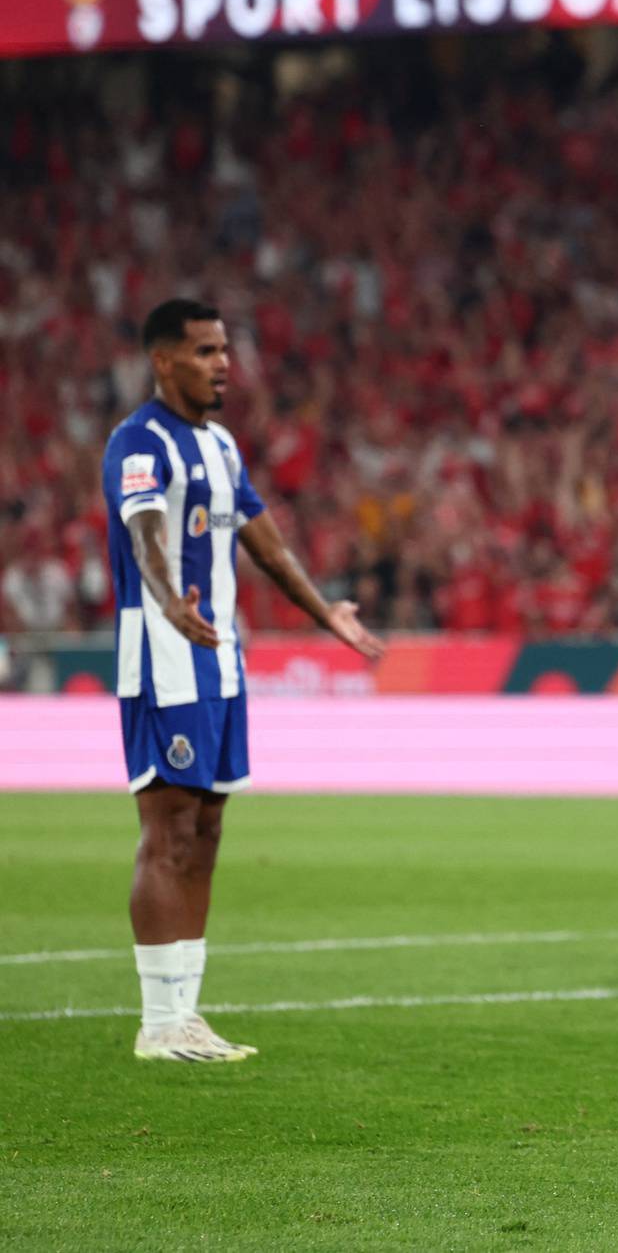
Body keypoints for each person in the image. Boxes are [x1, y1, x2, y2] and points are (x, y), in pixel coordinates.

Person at [102, 299, 384, 1063]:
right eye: (202, 351)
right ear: (163, 360)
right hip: (164, 653)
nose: (222, 362)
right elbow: (141, 532)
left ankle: (184, 1015)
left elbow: (261, 538)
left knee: (208, 828)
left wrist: (326, 614)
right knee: (167, 829)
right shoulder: (139, 441)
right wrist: (167, 599)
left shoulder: (222, 447)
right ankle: (158, 1023)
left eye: (223, 349)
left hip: (220, 660)